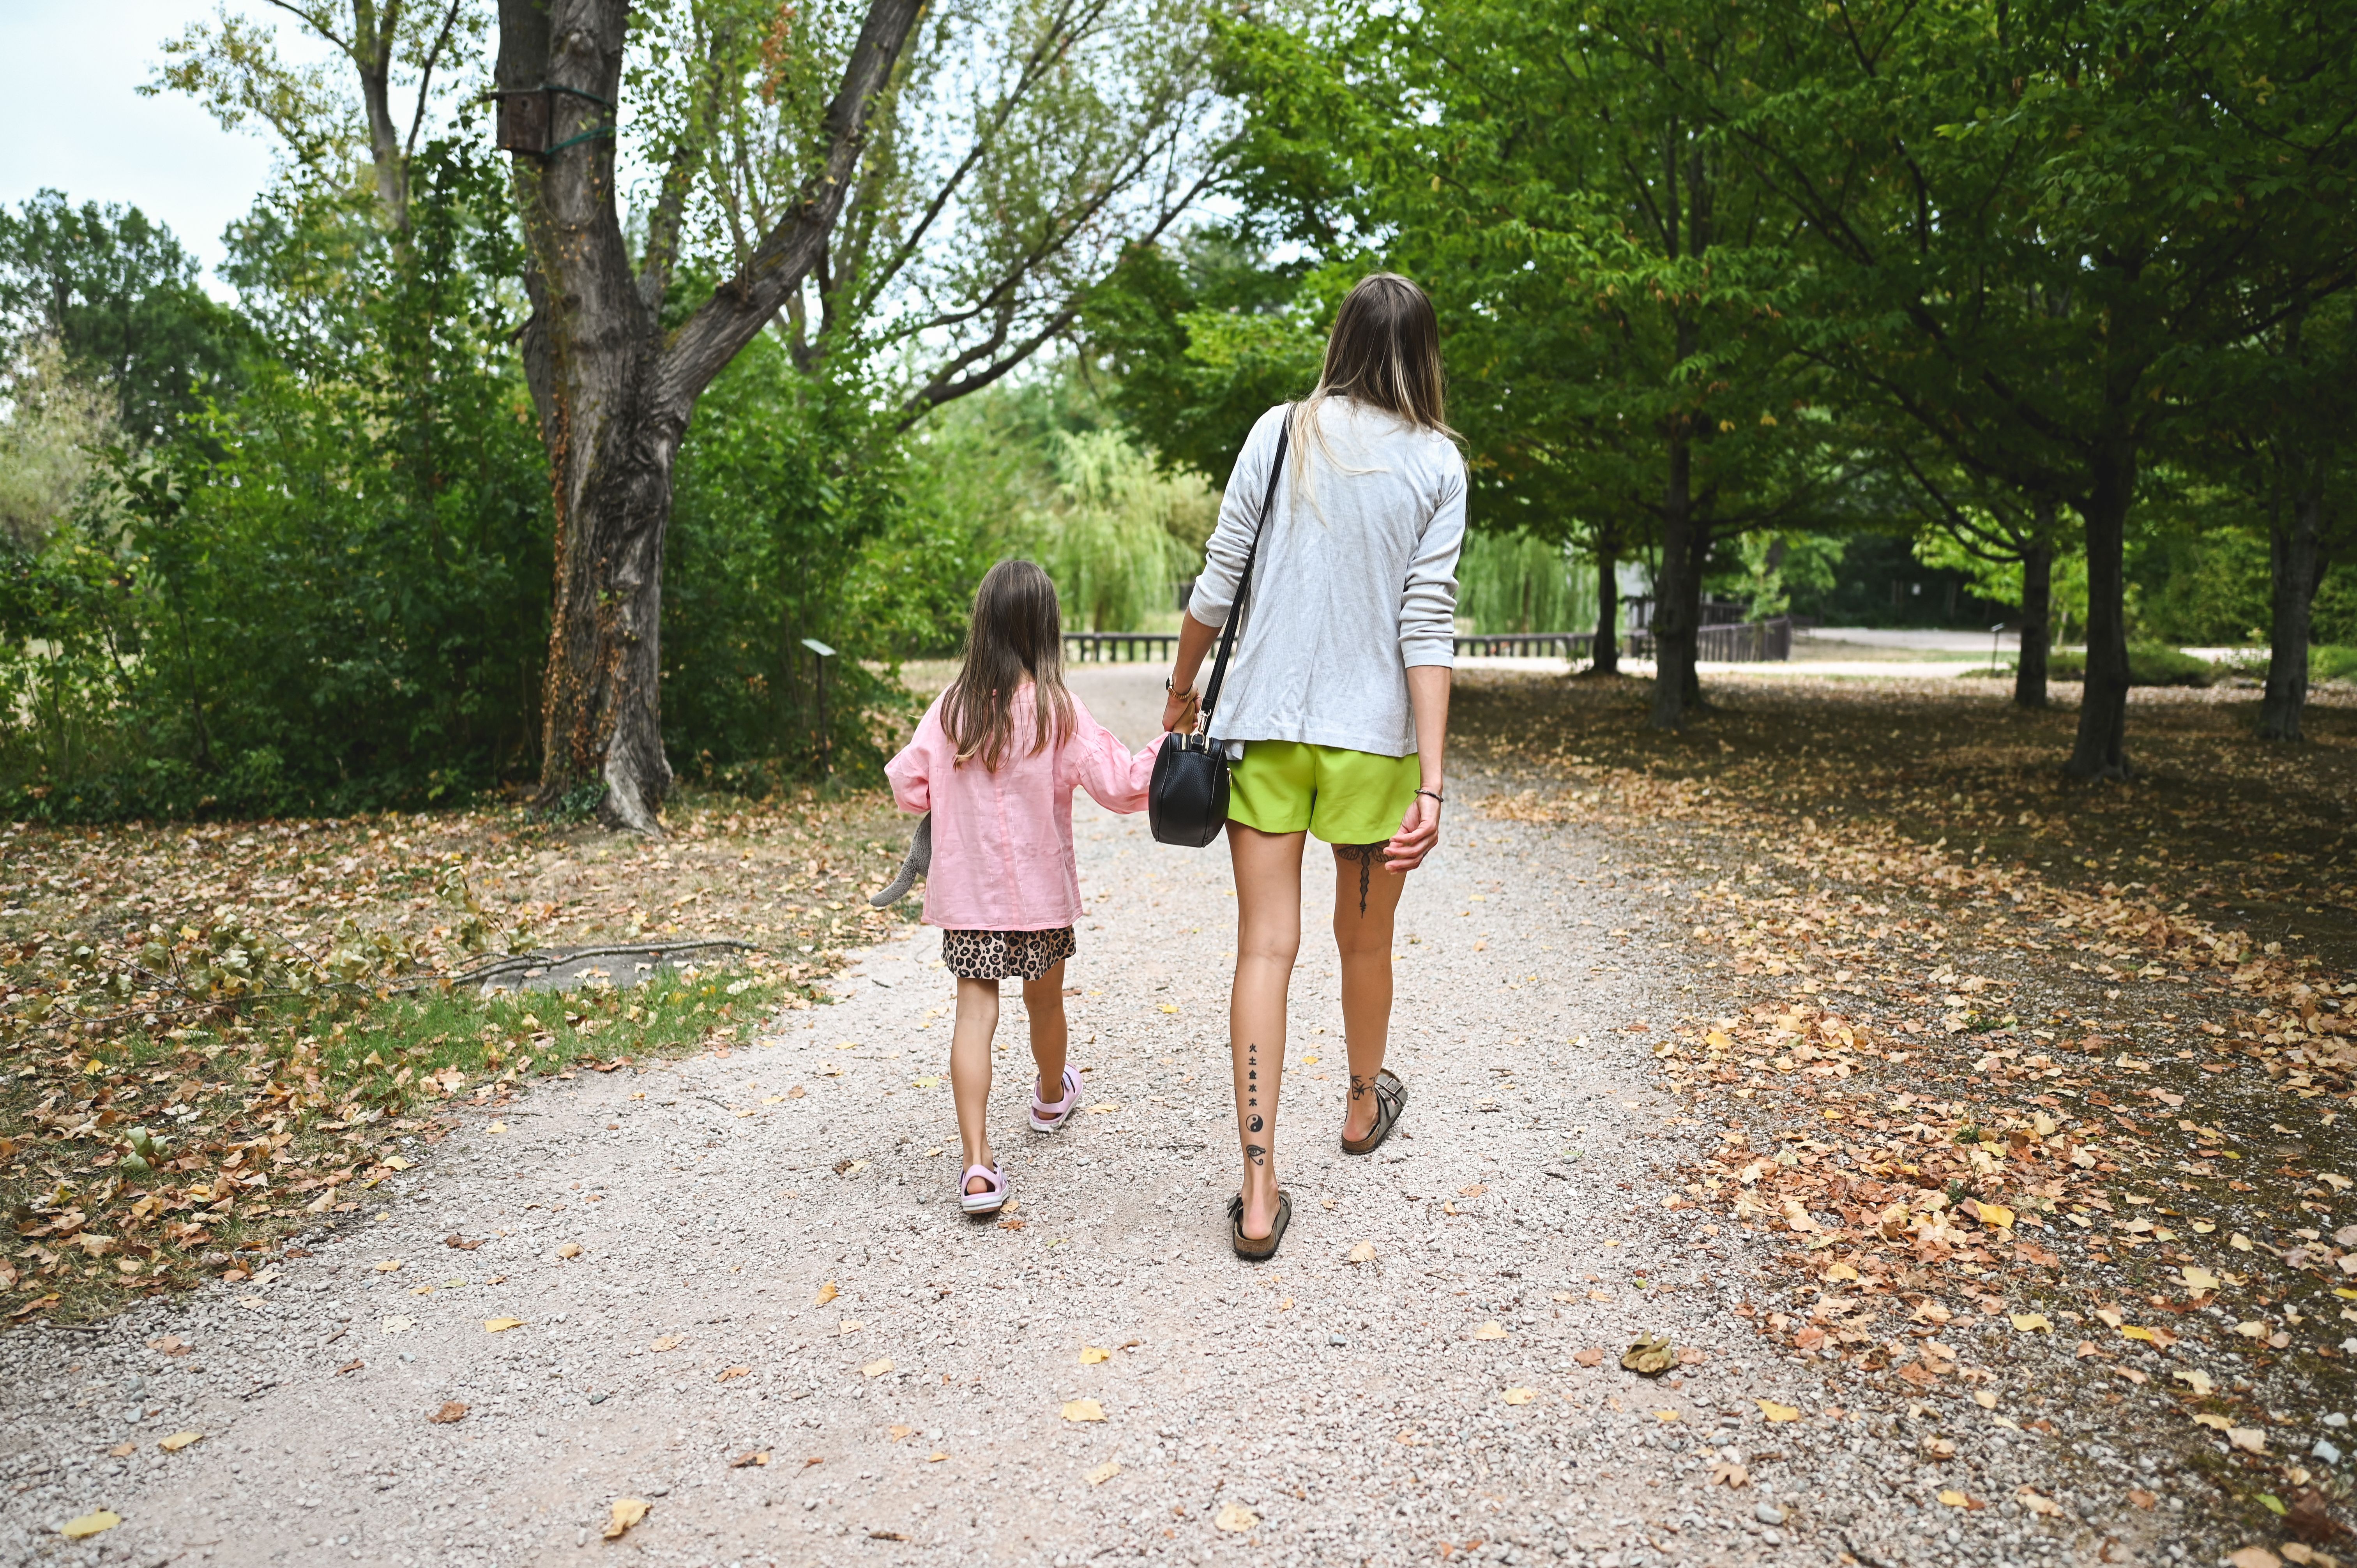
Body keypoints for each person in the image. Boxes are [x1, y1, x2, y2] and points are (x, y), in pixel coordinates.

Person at [1164, 272, 1465, 1260]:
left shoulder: (1280, 430)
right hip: (1372, 744)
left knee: (1265, 949)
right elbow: (1428, 622)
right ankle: (1356, 1105)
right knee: (1364, 942)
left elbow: (1219, 576)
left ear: (1340, 340)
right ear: (1424, 352)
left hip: (1266, 729)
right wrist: (1430, 778)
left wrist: (1181, 687)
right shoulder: (1438, 465)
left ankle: (1257, 1189)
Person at [887, 559, 1182, 1215]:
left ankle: (977, 1167)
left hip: (970, 899)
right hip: (1040, 898)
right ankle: (1052, 1095)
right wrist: (1170, 740)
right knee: (1044, 1004)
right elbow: (1124, 786)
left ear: (982, 626)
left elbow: (909, 788)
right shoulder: (1058, 711)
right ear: (1046, 630)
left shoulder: (951, 710)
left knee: (974, 1015)